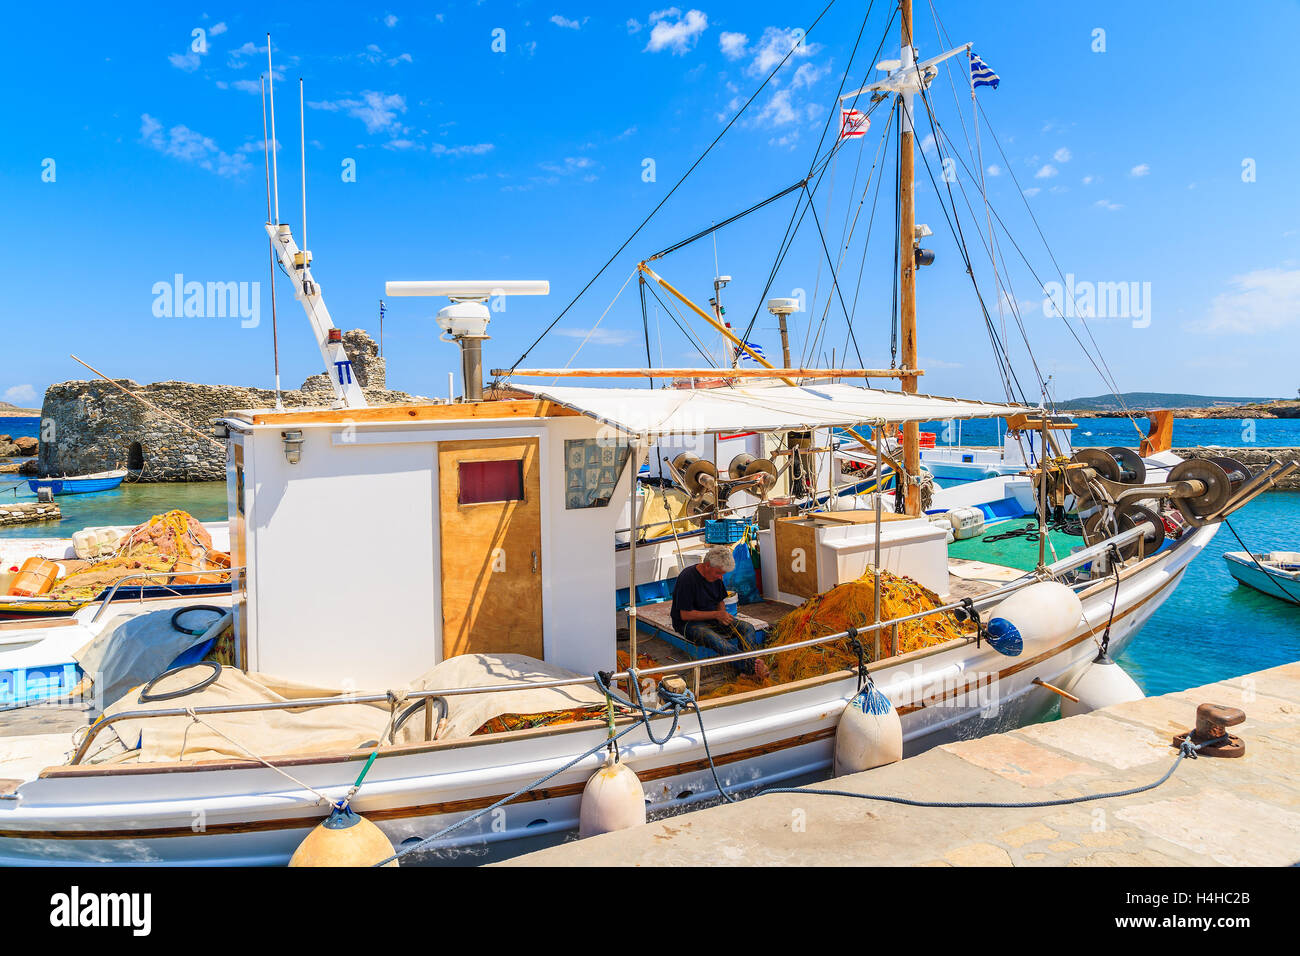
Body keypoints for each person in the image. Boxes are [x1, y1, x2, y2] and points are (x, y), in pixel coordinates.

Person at [670, 546, 768, 679]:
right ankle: (753, 669)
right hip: (689, 623)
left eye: (722, 574)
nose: (721, 577)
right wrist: (716, 615)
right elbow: (685, 615)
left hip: (712, 618)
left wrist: (721, 615)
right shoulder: (687, 578)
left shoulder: (716, 577)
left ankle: (747, 670)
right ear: (707, 565)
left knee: (747, 628)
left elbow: (720, 600)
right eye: (718, 573)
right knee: (718, 642)